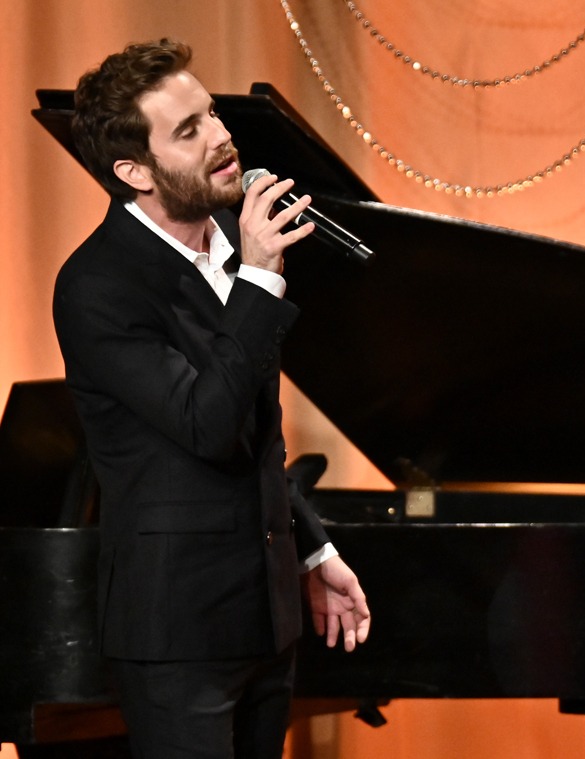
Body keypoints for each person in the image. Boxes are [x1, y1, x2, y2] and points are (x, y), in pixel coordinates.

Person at [52, 39, 370, 758]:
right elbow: (208, 425)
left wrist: (312, 550)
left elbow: (260, 435)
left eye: (211, 114)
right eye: (187, 129)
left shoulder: (232, 238)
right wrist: (258, 281)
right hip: (177, 635)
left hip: (266, 619)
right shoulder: (97, 286)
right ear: (134, 171)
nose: (222, 137)